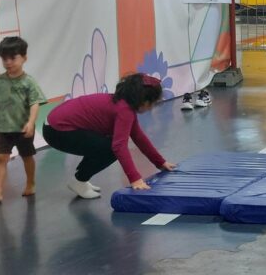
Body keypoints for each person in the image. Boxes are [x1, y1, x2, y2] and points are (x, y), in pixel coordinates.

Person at [43, 74, 176, 199]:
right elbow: (119, 146)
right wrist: (135, 178)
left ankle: (81, 179)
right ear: (145, 101)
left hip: (54, 124)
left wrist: (160, 162)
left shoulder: (123, 104)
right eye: (153, 103)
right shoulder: (124, 111)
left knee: (104, 145)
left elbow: (139, 137)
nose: (152, 107)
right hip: (57, 130)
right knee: (110, 149)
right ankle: (79, 181)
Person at [0, 37, 46, 203]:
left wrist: (31, 122)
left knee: (26, 156)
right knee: (0, 158)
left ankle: (30, 182)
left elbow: (34, 103)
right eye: (4, 59)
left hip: (23, 128)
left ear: (24, 58)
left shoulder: (28, 82)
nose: (8, 62)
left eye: (13, 58)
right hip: (2, 128)